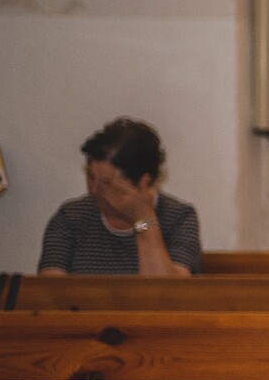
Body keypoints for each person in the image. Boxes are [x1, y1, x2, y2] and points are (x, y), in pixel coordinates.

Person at [38, 117, 200, 276]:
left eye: (107, 183)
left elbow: (167, 295)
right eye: (90, 177)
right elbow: (50, 291)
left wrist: (144, 219)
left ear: (143, 182)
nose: (94, 190)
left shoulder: (179, 218)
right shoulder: (71, 217)